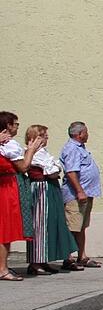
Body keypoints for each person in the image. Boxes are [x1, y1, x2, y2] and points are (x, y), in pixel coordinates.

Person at [24, 125, 77, 275]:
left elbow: (56, 167)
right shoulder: (32, 153)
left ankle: (43, 260)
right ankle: (35, 262)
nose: (46, 138)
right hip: (40, 189)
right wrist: (54, 168)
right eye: (43, 135)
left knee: (49, 223)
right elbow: (51, 170)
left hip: (50, 188)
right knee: (39, 225)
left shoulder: (44, 152)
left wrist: (55, 168)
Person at [0, 112, 42, 280]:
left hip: (7, 186)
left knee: (6, 230)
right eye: (15, 123)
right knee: (5, 230)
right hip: (6, 188)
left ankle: (3, 266)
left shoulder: (6, 143)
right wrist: (31, 151)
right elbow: (24, 167)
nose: (17, 126)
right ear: (8, 125)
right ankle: (2, 269)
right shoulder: (8, 144)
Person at [60, 121, 102, 270]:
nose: (88, 134)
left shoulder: (80, 148)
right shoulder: (72, 148)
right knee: (72, 226)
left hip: (86, 193)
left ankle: (81, 256)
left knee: (81, 227)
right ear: (79, 134)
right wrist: (79, 191)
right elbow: (71, 172)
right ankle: (68, 258)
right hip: (75, 195)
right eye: (86, 132)